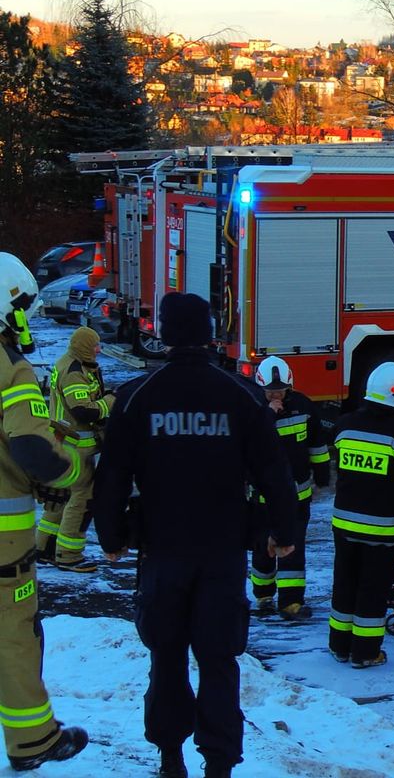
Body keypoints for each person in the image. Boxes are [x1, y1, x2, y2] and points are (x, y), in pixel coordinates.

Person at [93, 292, 298, 778]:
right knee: (219, 660)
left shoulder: (138, 396)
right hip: (223, 553)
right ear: (210, 333)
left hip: (163, 551)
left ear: (164, 333)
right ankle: (220, 764)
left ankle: (170, 757)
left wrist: (111, 534)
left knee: (166, 656)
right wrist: (284, 531)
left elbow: (113, 474)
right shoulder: (243, 395)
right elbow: (275, 471)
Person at [0, 252, 89, 772]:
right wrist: (72, 474)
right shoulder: (11, 368)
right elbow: (34, 452)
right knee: (14, 635)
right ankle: (33, 740)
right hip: (5, 551)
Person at [328, 361, 394, 669]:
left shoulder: (344, 426)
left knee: (344, 583)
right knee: (372, 590)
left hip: (343, 523)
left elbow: (338, 464)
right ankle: (365, 651)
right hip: (381, 530)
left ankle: (339, 646)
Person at [249, 356, 331, 621]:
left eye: (280, 389)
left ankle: (291, 603)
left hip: (297, 496)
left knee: (293, 548)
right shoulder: (252, 410)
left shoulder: (304, 407)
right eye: (270, 390)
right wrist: (266, 416)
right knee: (263, 548)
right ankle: (262, 595)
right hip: (262, 499)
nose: (276, 394)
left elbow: (317, 445)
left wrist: (321, 477)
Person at [35, 326, 114, 572]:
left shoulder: (73, 363)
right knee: (82, 498)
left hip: (63, 444)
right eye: (94, 346)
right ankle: (69, 555)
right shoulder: (74, 371)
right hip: (75, 448)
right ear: (82, 347)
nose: (98, 350)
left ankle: (45, 548)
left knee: (60, 500)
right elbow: (82, 410)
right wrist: (109, 402)